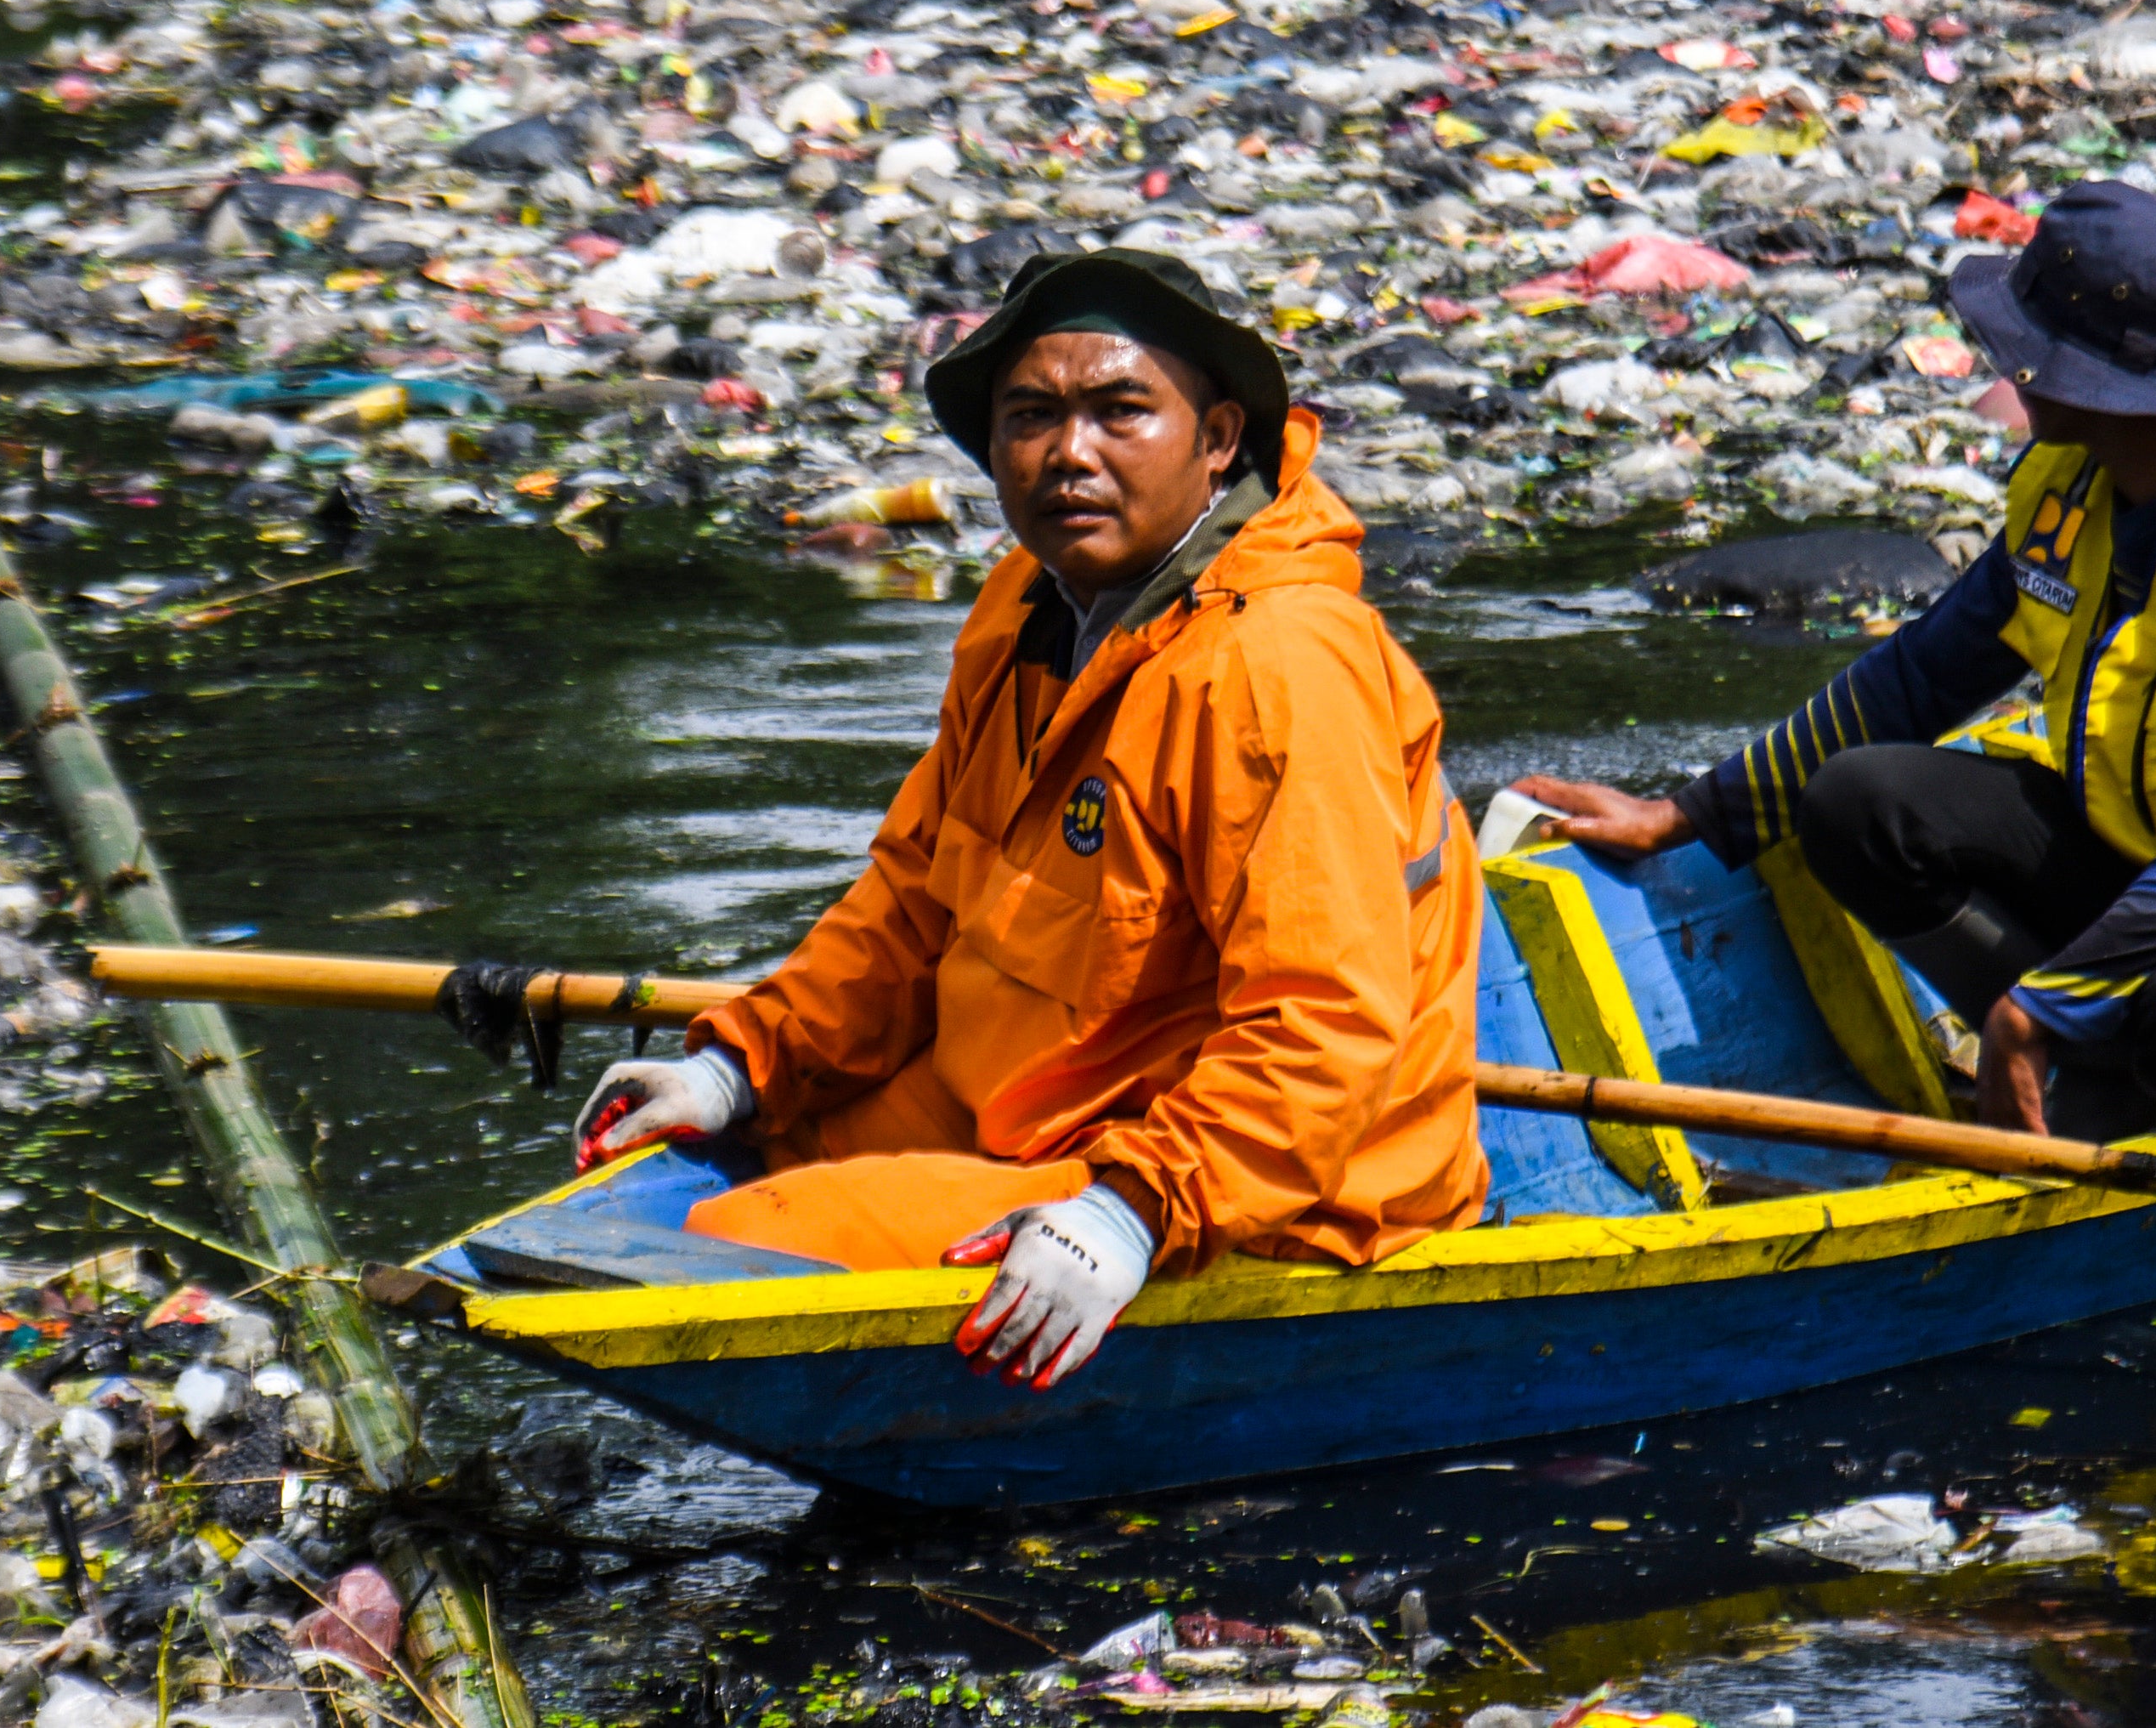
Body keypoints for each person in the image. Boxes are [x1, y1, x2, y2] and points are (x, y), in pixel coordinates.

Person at [569, 248, 1487, 1391]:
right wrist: (742, 1066)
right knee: (696, 1167)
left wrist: (1132, 1211)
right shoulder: (1023, 605)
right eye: (1033, 417)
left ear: (1217, 440)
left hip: (1281, 1175)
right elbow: (912, 901)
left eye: (1120, 411)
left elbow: (1324, 1023)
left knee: (728, 1246)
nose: (1070, 454)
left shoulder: (1275, 665)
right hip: (1039, 1097)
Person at [1519, 181, 2156, 1140]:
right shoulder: (2074, 484)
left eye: (2029, 354)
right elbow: (1924, 675)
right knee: (1861, 803)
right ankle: (2106, 1069)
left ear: (2106, 387)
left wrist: (2041, 1005)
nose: (2007, 370)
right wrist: (1695, 811)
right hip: (2153, 857)